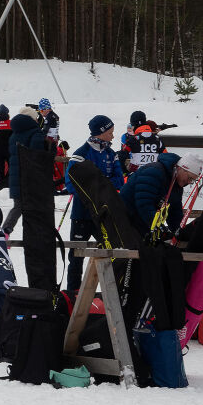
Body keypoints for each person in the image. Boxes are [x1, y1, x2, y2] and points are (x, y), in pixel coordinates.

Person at [64, 114, 124, 291]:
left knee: (112, 253)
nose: (113, 136)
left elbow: (119, 181)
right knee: (75, 257)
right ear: (101, 132)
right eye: (110, 132)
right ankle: (72, 295)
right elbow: (71, 184)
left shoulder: (111, 154)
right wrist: (100, 186)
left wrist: (96, 185)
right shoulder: (81, 154)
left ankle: (113, 293)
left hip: (104, 214)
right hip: (82, 214)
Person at [120, 152, 202, 238]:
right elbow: (144, 204)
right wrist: (158, 227)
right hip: (125, 216)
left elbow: (174, 213)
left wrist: (180, 232)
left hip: (141, 220)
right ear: (182, 168)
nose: (189, 182)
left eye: (193, 181)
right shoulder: (154, 171)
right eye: (190, 178)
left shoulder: (176, 184)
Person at [2, 106, 44, 235]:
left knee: (19, 206)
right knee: (34, 206)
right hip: (30, 176)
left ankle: (6, 231)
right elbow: (37, 155)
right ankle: (34, 233)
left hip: (16, 175)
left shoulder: (15, 134)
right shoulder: (35, 133)